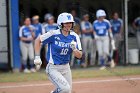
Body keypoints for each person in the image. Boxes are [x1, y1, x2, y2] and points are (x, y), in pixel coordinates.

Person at [34, 12, 82, 93]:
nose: (68, 25)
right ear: (60, 23)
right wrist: (37, 57)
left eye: (70, 22)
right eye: (66, 23)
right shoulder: (53, 34)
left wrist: (74, 49)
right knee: (65, 89)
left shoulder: (75, 36)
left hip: (66, 67)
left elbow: (80, 55)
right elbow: (38, 40)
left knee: (67, 91)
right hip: (53, 68)